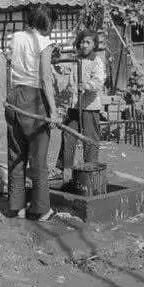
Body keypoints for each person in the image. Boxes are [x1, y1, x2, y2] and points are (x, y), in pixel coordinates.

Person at [5, 4, 58, 221]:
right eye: (52, 23)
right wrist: (53, 110)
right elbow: (45, 79)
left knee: (16, 155)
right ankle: (41, 208)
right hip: (34, 99)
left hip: (14, 97)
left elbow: (9, 63)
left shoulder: (15, 37)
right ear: (47, 23)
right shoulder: (44, 42)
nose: (53, 28)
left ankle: (17, 207)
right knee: (38, 158)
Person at [56, 29, 105, 182]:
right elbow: (65, 72)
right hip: (74, 106)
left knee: (90, 140)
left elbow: (98, 82)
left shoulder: (96, 61)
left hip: (89, 107)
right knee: (68, 135)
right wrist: (57, 63)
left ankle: (90, 173)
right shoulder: (75, 59)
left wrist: (86, 86)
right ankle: (64, 169)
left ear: (94, 44)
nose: (84, 45)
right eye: (82, 42)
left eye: (88, 42)